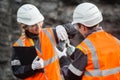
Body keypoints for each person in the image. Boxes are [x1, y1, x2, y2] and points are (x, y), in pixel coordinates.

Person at [11, 4, 76, 80]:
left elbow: (74, 30)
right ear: (25, 26)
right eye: (33, 25)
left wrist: (64, 28)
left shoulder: (51, 33)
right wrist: (32, 67)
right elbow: (16, 71)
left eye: (39, 22)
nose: (38, 27)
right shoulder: (19, 46)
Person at [57, 2, 120, 80]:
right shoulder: (116, 42)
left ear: (83, 27)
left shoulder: (84, 49)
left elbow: (70, 76)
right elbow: (101, 62)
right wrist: (75, 54)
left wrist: (62, 58)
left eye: (77, 27)